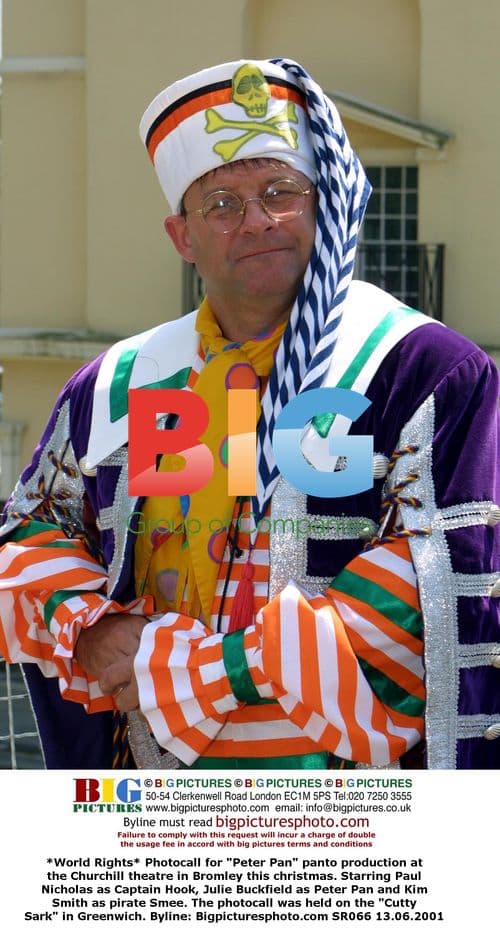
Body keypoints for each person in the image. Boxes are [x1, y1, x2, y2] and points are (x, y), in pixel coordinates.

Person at [0, 58, 498, 770]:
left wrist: (216, 671)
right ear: (182, 237)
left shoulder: (418, 368)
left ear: (320, 206)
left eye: (280, 192)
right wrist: (93, 631)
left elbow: (440, 577)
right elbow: (27, 532)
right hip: (155, 813)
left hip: (350, 821)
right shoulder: (116, 384)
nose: (259, 219)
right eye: (222, 204)